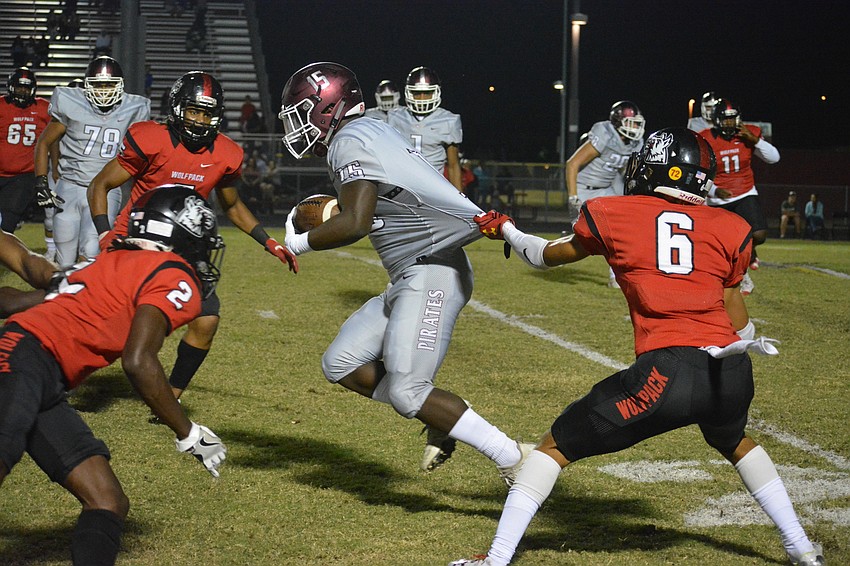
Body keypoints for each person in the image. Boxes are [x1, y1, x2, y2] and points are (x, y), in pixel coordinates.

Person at [454, 128, 825, 566]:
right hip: (731, 370)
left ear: (651, 170)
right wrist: (736, 358)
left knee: (553, 448)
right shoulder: (733, 226)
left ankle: (495, 559)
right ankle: (801, 549)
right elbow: (735, 312)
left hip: (664, 374)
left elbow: (545, 255)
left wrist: (509, 231)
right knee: (735, 441)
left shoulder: (616, 212)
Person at [279, 62, 533, 480]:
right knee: (340, 363)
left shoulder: (351, 139)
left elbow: (356, 221)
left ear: (328, 107)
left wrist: (299, 243)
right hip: (410, 272)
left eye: (302, 111)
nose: (296, 124)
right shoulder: (368, 130)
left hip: (432, 270)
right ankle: (439, 415)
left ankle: (514, 459)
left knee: (407, 391)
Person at [0, 186, 227, 566]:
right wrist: (188, 433)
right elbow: (138, 361)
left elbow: (20, 302)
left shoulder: (107, 261)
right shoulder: (173, 273)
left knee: (106, 499)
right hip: (26, 362)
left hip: (37, 370)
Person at [88, 70, 297, 403]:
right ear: (176, 107)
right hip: (137, 240)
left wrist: (269, 242)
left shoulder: (226, 154)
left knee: (206, 319)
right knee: (106, 325)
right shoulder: (150, 138)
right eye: (193, 110)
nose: (200, 120)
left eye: (208, 113)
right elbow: (100, 184)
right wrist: (104, 234)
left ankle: (170, 396)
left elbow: (233, 206)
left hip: (185, 245)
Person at [33, 56, 150, 269]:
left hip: (106, 189)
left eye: (109, 85)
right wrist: (41, 181)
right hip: (69, 186)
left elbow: (142, 153)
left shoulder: (134, 108)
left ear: (120, 85)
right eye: (98, 85)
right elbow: (44, 143)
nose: (104, 90)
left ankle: (86, 298)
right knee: (65, 256)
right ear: (87, 85)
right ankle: (61, 297)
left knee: (91, 249)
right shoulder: (71, 103)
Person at [696, 98, 780, 295]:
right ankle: (742, 275)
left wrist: (756, 141)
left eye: (732, 119)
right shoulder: (706, 138)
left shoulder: (747, 133)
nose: (729, 123)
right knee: (725, 245)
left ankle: (750, 255)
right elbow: (698, 172)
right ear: (715, 120)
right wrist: (714, 190)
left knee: (759, 235)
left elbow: (774, 158)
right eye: (725, 120)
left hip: (745, 192)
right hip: (718, 199)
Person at [565, 100, 645, 288]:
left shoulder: (635, 141)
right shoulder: (605, 133)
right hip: (585, 187)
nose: (635, 127)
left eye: (636, 123)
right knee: (585, 236)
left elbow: (626, 170)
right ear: (617, 122)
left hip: (607, 187)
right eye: (630, 122)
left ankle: (615, 275)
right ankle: (552, 253)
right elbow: (572, 164)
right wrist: (573, 197)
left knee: (620, 230)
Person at [388, 66, 464, 191]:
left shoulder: (449, 120)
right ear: (408, 92)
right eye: (417, 93)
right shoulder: (394, 117)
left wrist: (461, 201)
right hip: (401, 187)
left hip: (433, 188)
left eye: (427, 93)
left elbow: (453, 165)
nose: (422, 98)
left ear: (436, 92)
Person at [0, 68, 50, 233]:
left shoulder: (44, 108)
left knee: (7, 223)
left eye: (26, 88)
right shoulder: (1, 105)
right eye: (19, 87)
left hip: (23, 175)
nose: (23, 91)